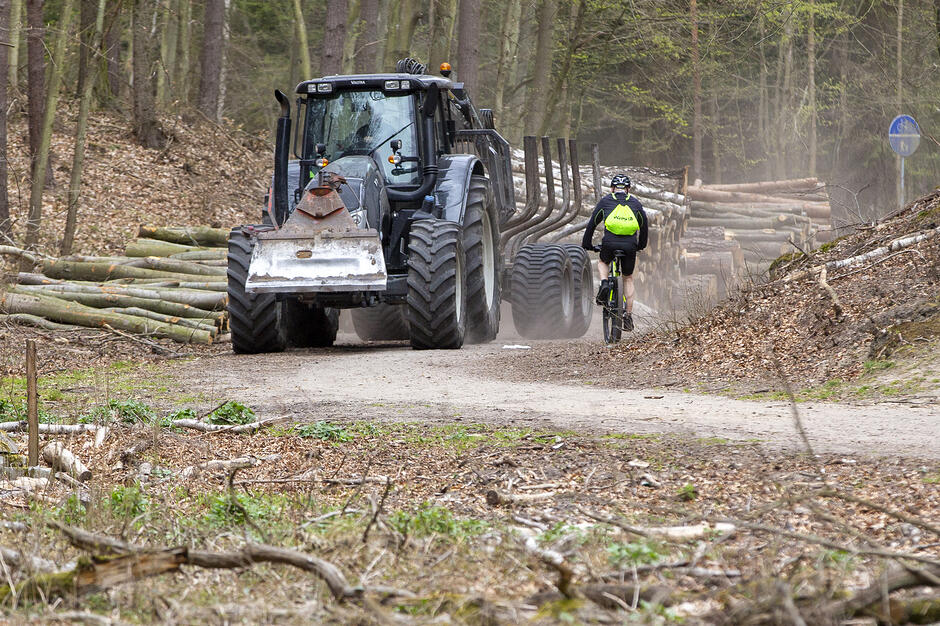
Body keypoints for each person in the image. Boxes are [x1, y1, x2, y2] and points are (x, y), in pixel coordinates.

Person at [580, 174, 648, 332]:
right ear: (628, 189)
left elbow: (592, 223)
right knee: (628, 278)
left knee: (603, 262)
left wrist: (587, 244)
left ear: (612, 188)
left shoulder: (606, 201)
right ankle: (628, 316)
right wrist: (640, 245)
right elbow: (644, 226)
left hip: (609, 243)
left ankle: (604, 283)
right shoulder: (635, 203)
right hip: (630, 245)